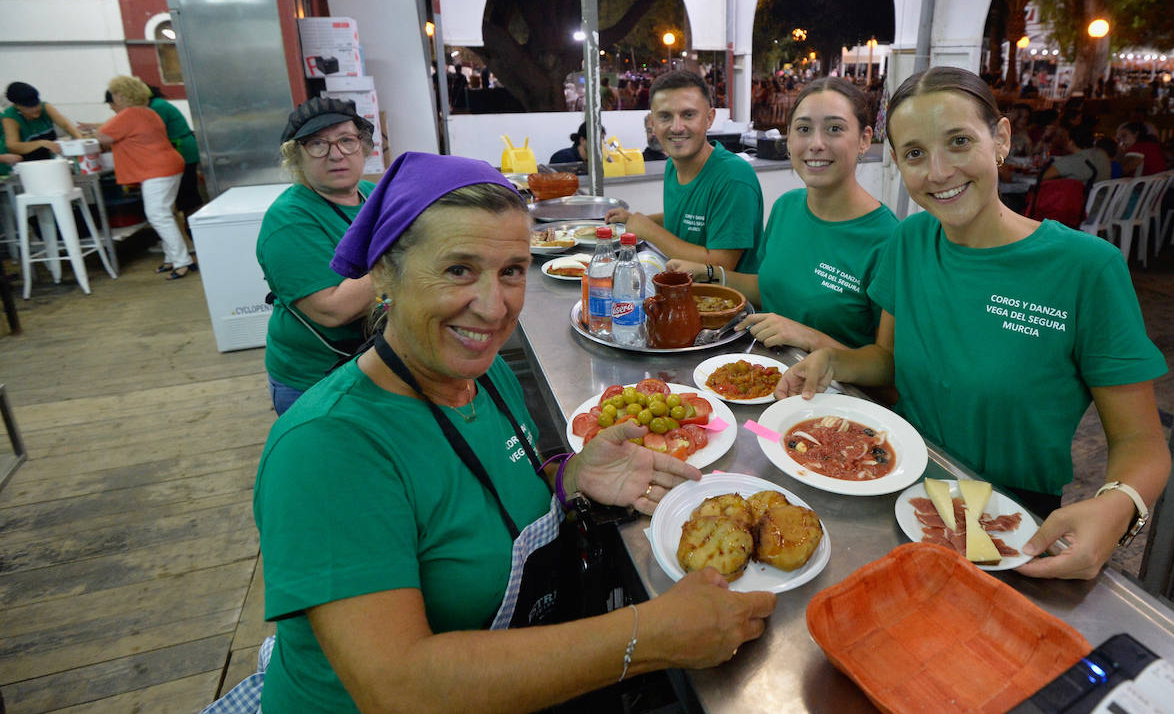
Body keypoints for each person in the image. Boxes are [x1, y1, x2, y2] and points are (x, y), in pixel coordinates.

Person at [248, 152, 775, 713]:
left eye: (510, 271)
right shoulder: (329, 448)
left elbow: (489, 483)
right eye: (458, 270)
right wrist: (648, 635)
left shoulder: (483, 371)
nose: (492, 307)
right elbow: (399, 688)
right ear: (383, 273)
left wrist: (571, 477)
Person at [776, 67, 1171, 581]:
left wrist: (1119, 508)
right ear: (897, 163)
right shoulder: (910, 241)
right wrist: (833, 360)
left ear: (1001, 139)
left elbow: (1142, 442)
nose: (938, 171)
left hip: (1009, 519)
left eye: (959, 142)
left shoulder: (1086, 268)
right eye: (915, 154)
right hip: (898, 484)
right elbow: (890, 361)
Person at [668, 77, 897, 352]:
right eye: (803, 129)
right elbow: (772, 287)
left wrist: (808, 337)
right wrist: (709, 273)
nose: (816, 143)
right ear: (789, 139)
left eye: (835, 129)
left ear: (864, 140)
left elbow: (886, 369)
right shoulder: (786, 206)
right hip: (767, 373)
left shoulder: (888, 240)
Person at [256, 97, 378, 415]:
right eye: (317, 144)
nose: (335, 154)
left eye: (346, 141)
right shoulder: (289, 219)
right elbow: (332, 310)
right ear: (297, 156)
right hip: (316, 381)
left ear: (364, 147)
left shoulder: (369, 194)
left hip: (372, 365)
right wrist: (406, 255)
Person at [606, 71, 763, 271]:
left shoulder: (733, 177)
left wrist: (649, 230)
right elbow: (685, 216)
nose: (677, 127)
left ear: (709, 118)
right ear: (652, 122)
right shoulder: (673, 165)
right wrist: (635, 220)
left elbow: (721, 265)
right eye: (665, 116)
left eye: (688, 115)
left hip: (726, 299)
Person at [96, 77, 195, 278]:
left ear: (121, 95)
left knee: (158, 215)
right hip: (168, 165)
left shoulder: (129, 114)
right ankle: (171, 258)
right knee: (165, 214)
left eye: (114, 95)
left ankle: (182, 261)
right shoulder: (148, 112)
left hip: (157, 169)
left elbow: (103, 136)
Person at [145, 84, 203, 216]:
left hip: (183, 151)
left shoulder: (156, 107)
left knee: (188, 194)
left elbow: (149, 131)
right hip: (183, 149)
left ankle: (195, 228)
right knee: (187, 192)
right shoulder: (156, 104)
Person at [2, 81, 83, 161]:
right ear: (17, 106)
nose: (35, 109)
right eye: (29, 108)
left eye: (37, 105)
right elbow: (12, 146)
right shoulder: (10, 118)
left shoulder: (46, 107)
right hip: (24, 162)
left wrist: (81, 141)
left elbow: (67, 125)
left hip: (48, 158)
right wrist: (41, 143)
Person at [1042, 125, 1111, 184]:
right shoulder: (1102, 153)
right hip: (1105, 198)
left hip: (1082, 198)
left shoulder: (1072, 161)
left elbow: (1042, 177)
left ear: (1071, 142)